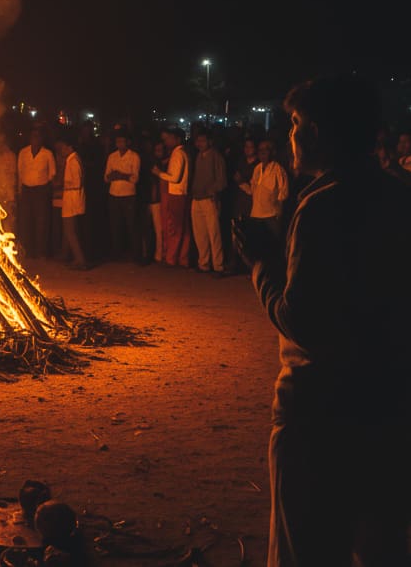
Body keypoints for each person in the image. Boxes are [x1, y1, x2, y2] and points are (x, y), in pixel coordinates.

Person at [232, 75, 411, 567]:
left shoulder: (322, 205)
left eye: (295, 123)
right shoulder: (396, 197)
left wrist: (260, 264)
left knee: (304, 548)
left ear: (319, 132)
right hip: (386, 402)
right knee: (380, 544)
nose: (291, 135)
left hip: (318, 407)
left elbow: (300, 320)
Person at [189, 127, 227, 275]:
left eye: (202, 140)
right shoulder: (198, 156)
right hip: (196, 198)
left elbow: (222, 180)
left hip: (209, 200)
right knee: (200, 234)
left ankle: (218, 265)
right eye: (198, 141)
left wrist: (213, 191)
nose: (199, 143)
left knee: (214, 234)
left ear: (209, 141)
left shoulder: (216, 157)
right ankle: (203, 263)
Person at [16, 127, 56, 259]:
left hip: (41, 190)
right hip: (27, 190)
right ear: (30, 138)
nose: (35, 139)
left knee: (41, 222)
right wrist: (20, 191)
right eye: (33, 136)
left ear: (42, 139)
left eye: (38, 136)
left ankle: (41, 252)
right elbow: (20, 173)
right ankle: (27, 251)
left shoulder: (47, 154)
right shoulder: (23, 152)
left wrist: (47, 190)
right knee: (26, 221)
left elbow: (52, 174)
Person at [154, 127, 190, 267]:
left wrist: (158, 173)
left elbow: (174, 178)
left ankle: (172, 258)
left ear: (177, 139)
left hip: (176, 194)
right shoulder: (181, 153)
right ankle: (182, 258)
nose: (166, 141)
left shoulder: (177, 154)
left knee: (175, 228)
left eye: (168, 138)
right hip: (181, 194)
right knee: (183, 228)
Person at [103, 130, 141, 262]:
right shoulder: (112, 157)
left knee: (132, 225)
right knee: (115, 225)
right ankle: (117, 254)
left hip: (128, 195)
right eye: (117, 141)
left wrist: (120, 175)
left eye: (122, 141)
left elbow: (135, 178)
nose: (119, 144)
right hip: (114, 194)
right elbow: (106, 177)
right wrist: (121, 175)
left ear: (128, 142)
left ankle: (136, 255)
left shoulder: (134, 156)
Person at [240, 139, 289, 238]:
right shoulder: (257, 169)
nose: (262, 152)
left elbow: (283, 193)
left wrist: (278, 215)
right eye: (260, 149)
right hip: (256, 215)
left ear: (272, 152)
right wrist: (240, 182)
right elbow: (253, 191)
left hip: (271, 216)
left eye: (266, 149)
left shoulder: (278, 169)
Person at [60, 136, 88, 269]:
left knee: (70, 231)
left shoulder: (74, 161)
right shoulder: (71, 160)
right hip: (71, 197)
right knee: (70, 230)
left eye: (63, 147)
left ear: (69, 147)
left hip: (72, 198)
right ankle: (66, 256)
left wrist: (62, 184)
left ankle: (80, 259)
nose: (61, 150)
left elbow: (77, 182)